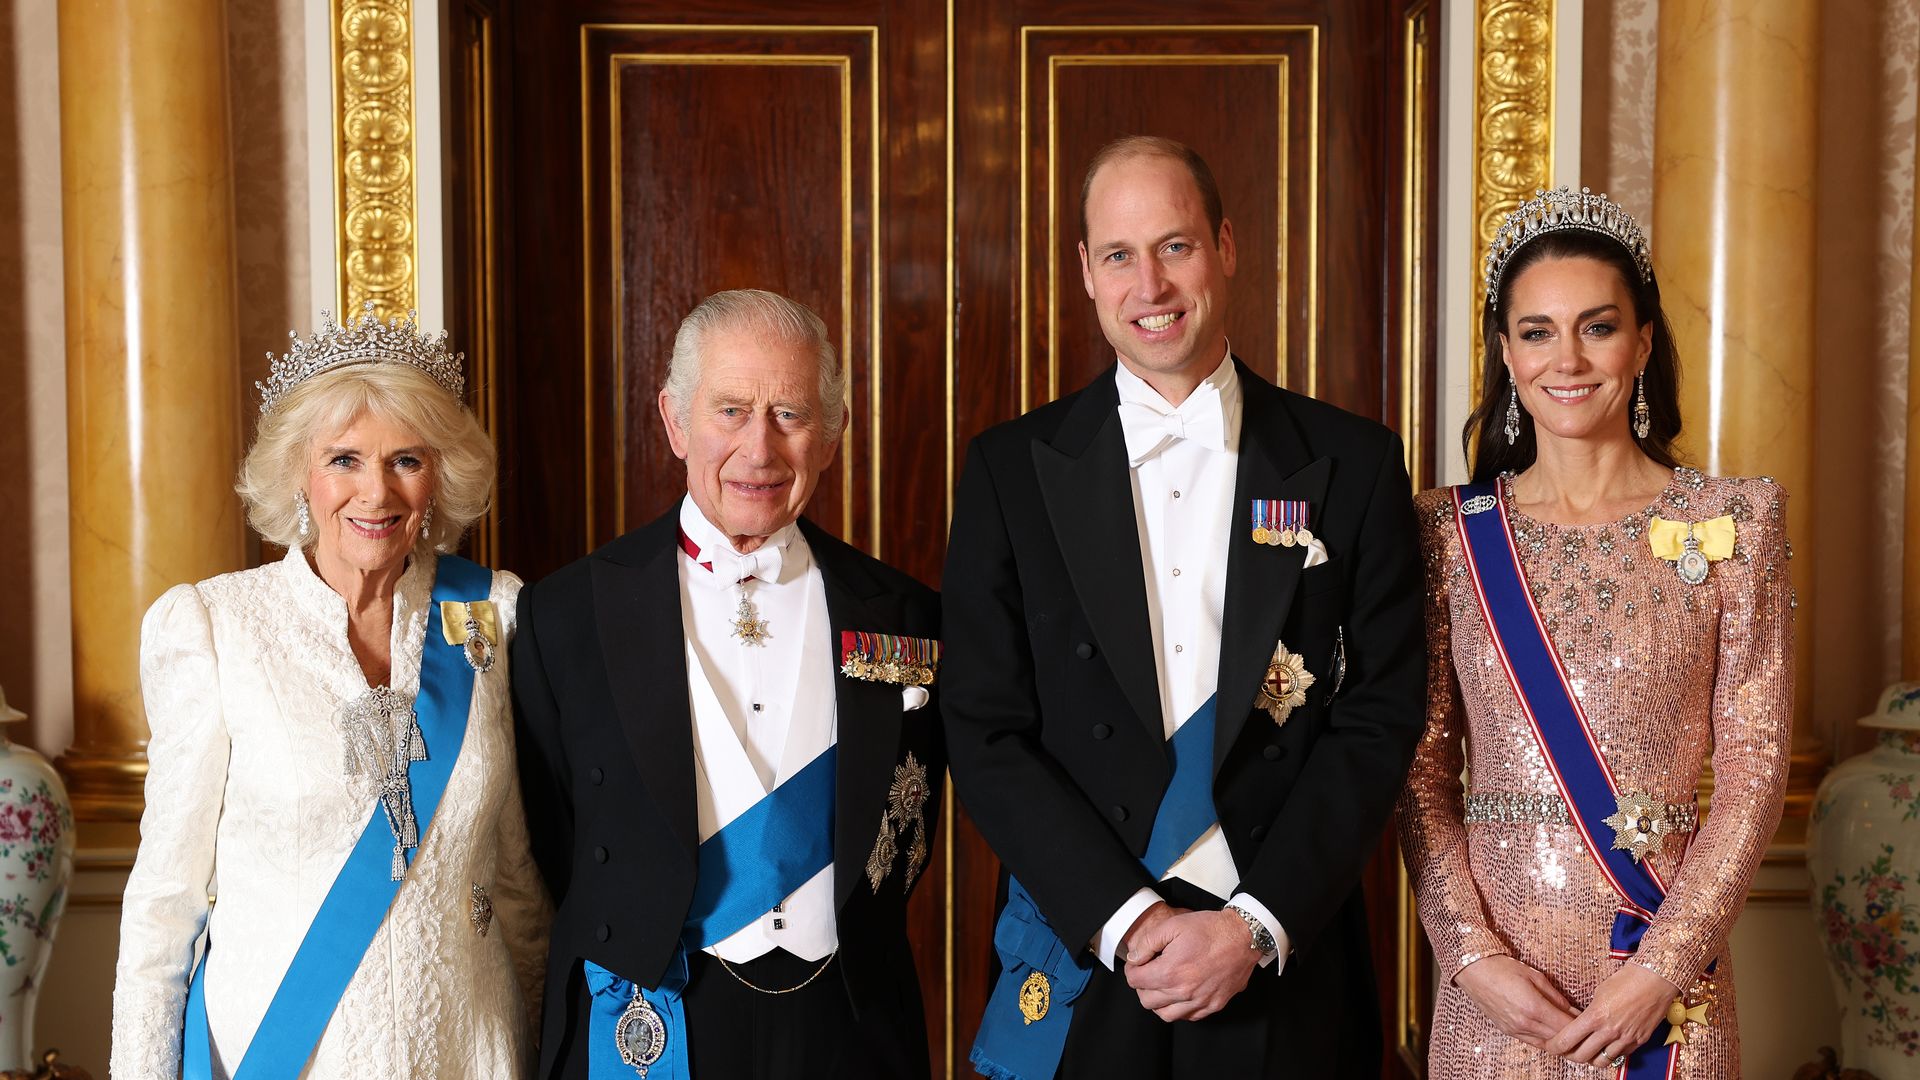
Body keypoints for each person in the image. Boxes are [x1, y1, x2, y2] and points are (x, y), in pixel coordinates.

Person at [943, 135, 1426, 1078]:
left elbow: (1378, 719)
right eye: (1119, 255)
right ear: (1085, 272)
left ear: (1227, 247)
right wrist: (1130, 922)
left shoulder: (1355, 464)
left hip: (1286, 961)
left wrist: (1252, 927)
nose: (1151, 285)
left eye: (1176, 246)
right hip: (1091, 960)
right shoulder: (1009, 472)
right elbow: (984, 729)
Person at [1397, 187, 1792, 1077]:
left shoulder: (1737, 519)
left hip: (1660, 975)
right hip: (1498, 986)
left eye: (1598, 327)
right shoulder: (1448, 533)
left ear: (1644, 340)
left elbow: (1756, 765)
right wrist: (1469, 954)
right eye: (1536, 331)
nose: (1566, 359)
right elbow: (1419, 770)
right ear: (1505, 353)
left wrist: (1663, 965)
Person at [512, 289, 942, 1079]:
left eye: (791, 414)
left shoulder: (909, 613)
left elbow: (911, 827)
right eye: (732, 410)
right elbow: (553, 836)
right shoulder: (567, 612)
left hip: (848, 1027)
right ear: (675, 421)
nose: (759, 450)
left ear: (835, 432)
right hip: (651, 1017)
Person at [111, 307, 551, 1078]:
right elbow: (165, 904)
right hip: (286, 1053)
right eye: (344, 459)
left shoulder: (493, 615)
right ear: (298, 473)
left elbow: (518, 882)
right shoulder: (216, 628)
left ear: (441, 473)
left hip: (470, 1050)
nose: (375, 493)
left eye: (406, 460)